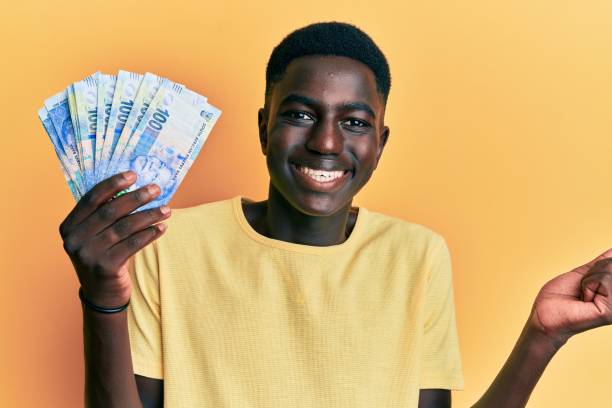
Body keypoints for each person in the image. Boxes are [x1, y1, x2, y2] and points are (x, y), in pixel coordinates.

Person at [58, 22, 612, 408]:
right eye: (300, 114)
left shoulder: (416, 255)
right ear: (262, 128)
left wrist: (542, 336)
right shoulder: (166, 244)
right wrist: (102, 297)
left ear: (381, 141)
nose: (325, 142)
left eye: (353, 122)